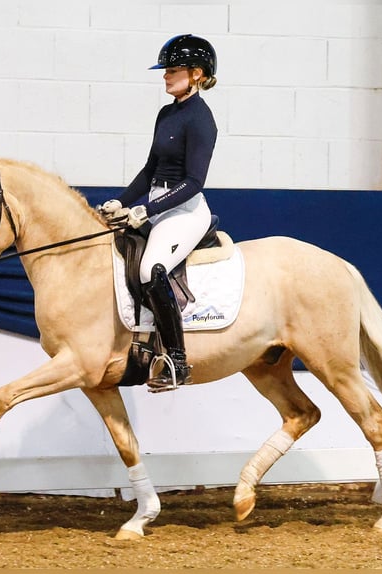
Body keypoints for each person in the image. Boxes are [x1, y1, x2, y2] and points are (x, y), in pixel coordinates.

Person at [100, 34, 218, 392]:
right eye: (165, 70)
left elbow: (195, 181)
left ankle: (177, 363)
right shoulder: (166, 114)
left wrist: (146, 210)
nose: (165, 76)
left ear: (196, 73)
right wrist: (121, 202)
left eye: (172, 69)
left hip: (185, 210)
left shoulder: (201, 119)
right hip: (155, 206)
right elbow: (150, 169)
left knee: (153, 269)